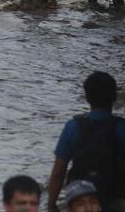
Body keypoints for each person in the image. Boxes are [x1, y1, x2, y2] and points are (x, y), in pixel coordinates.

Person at [47, 71, 125, 212]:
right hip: (113, 199)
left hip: (79, 199)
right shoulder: (122, 128)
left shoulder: (73, 127)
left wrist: (51, 205)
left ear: (87, 97)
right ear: (114, 97)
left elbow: (58, 173)